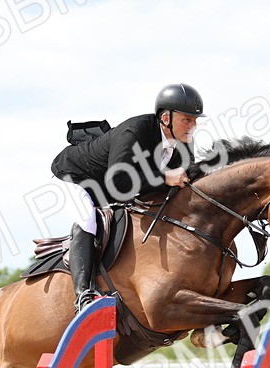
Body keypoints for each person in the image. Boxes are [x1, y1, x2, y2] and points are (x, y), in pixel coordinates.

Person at [50, 83, 204, 311]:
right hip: (77, 176)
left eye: (195, 120)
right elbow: (119, 181)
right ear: (165, 118)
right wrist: (163, 177)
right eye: (187, 120)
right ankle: (83, 295)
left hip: (113, 187)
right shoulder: (135, 131)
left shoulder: (182, 144)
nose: (193, 126)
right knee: (88, 220)